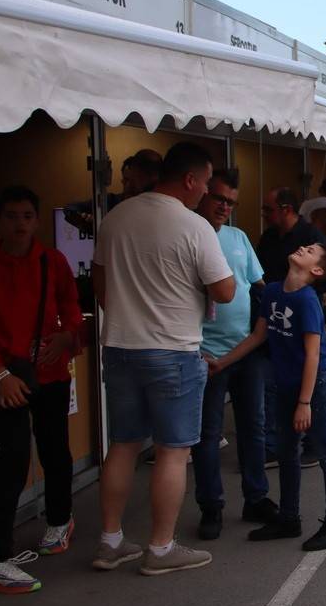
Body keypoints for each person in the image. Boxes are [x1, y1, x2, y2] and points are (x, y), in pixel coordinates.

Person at [92, 141, 234, 575]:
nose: (207, 191)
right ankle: (160, 547)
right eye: (207, 183)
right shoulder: (194, 227)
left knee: (123, 445)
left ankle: (110, 540)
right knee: (173, 452)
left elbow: (99, 283)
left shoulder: (117, 216)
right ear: (190, 180)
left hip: (119, 346)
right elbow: (225, 290)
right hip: (172, 350)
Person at [211, 243, 326, 551]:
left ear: (316, 270)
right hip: (283, 384)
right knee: (287, 452)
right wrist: (222, 362)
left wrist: (304, 402)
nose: (303, 247)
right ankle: (288, 517)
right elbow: (258, 337)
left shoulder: (307, 301)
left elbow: (313, 356)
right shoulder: (273, 291)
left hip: (313, 387)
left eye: (311, 250)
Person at [0, 187, 84, 594]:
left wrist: (67, 336)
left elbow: (70, 305)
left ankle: (60, 519)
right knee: (13, 459)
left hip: (51, 370)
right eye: (11, 216)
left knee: (55, 447)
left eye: (27, 215)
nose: (20, 223)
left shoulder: (51, 260)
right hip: (7, 374)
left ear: (37, 221)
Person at [191, 169, 277, 543]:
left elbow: (258, 286)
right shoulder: (189, 236)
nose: (225, 207)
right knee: (207, 435)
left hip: (247, 351)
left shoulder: (239, 237)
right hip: (204, 354)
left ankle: (255, 498)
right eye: (220, 199)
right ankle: (211, 507)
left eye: (231, 202)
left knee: (253, 427)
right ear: (204, 195)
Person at [257, 188, 326, 468]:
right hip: (275, 311)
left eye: (268, 210)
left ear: (286, 209)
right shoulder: (269, 238)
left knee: (308, 375)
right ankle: (277, 444)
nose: (264, 215)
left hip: (303, 318)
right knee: (275, 382)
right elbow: (259, 272)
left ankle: (313, 442)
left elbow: (325, 270)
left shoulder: (310, 236)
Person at [64, 149, 161, 233]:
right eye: (126, 179)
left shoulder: (150, 207)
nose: (128, 184)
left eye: (132, 180)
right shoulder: (111, 201)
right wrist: (86, 220)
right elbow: (70, 208)